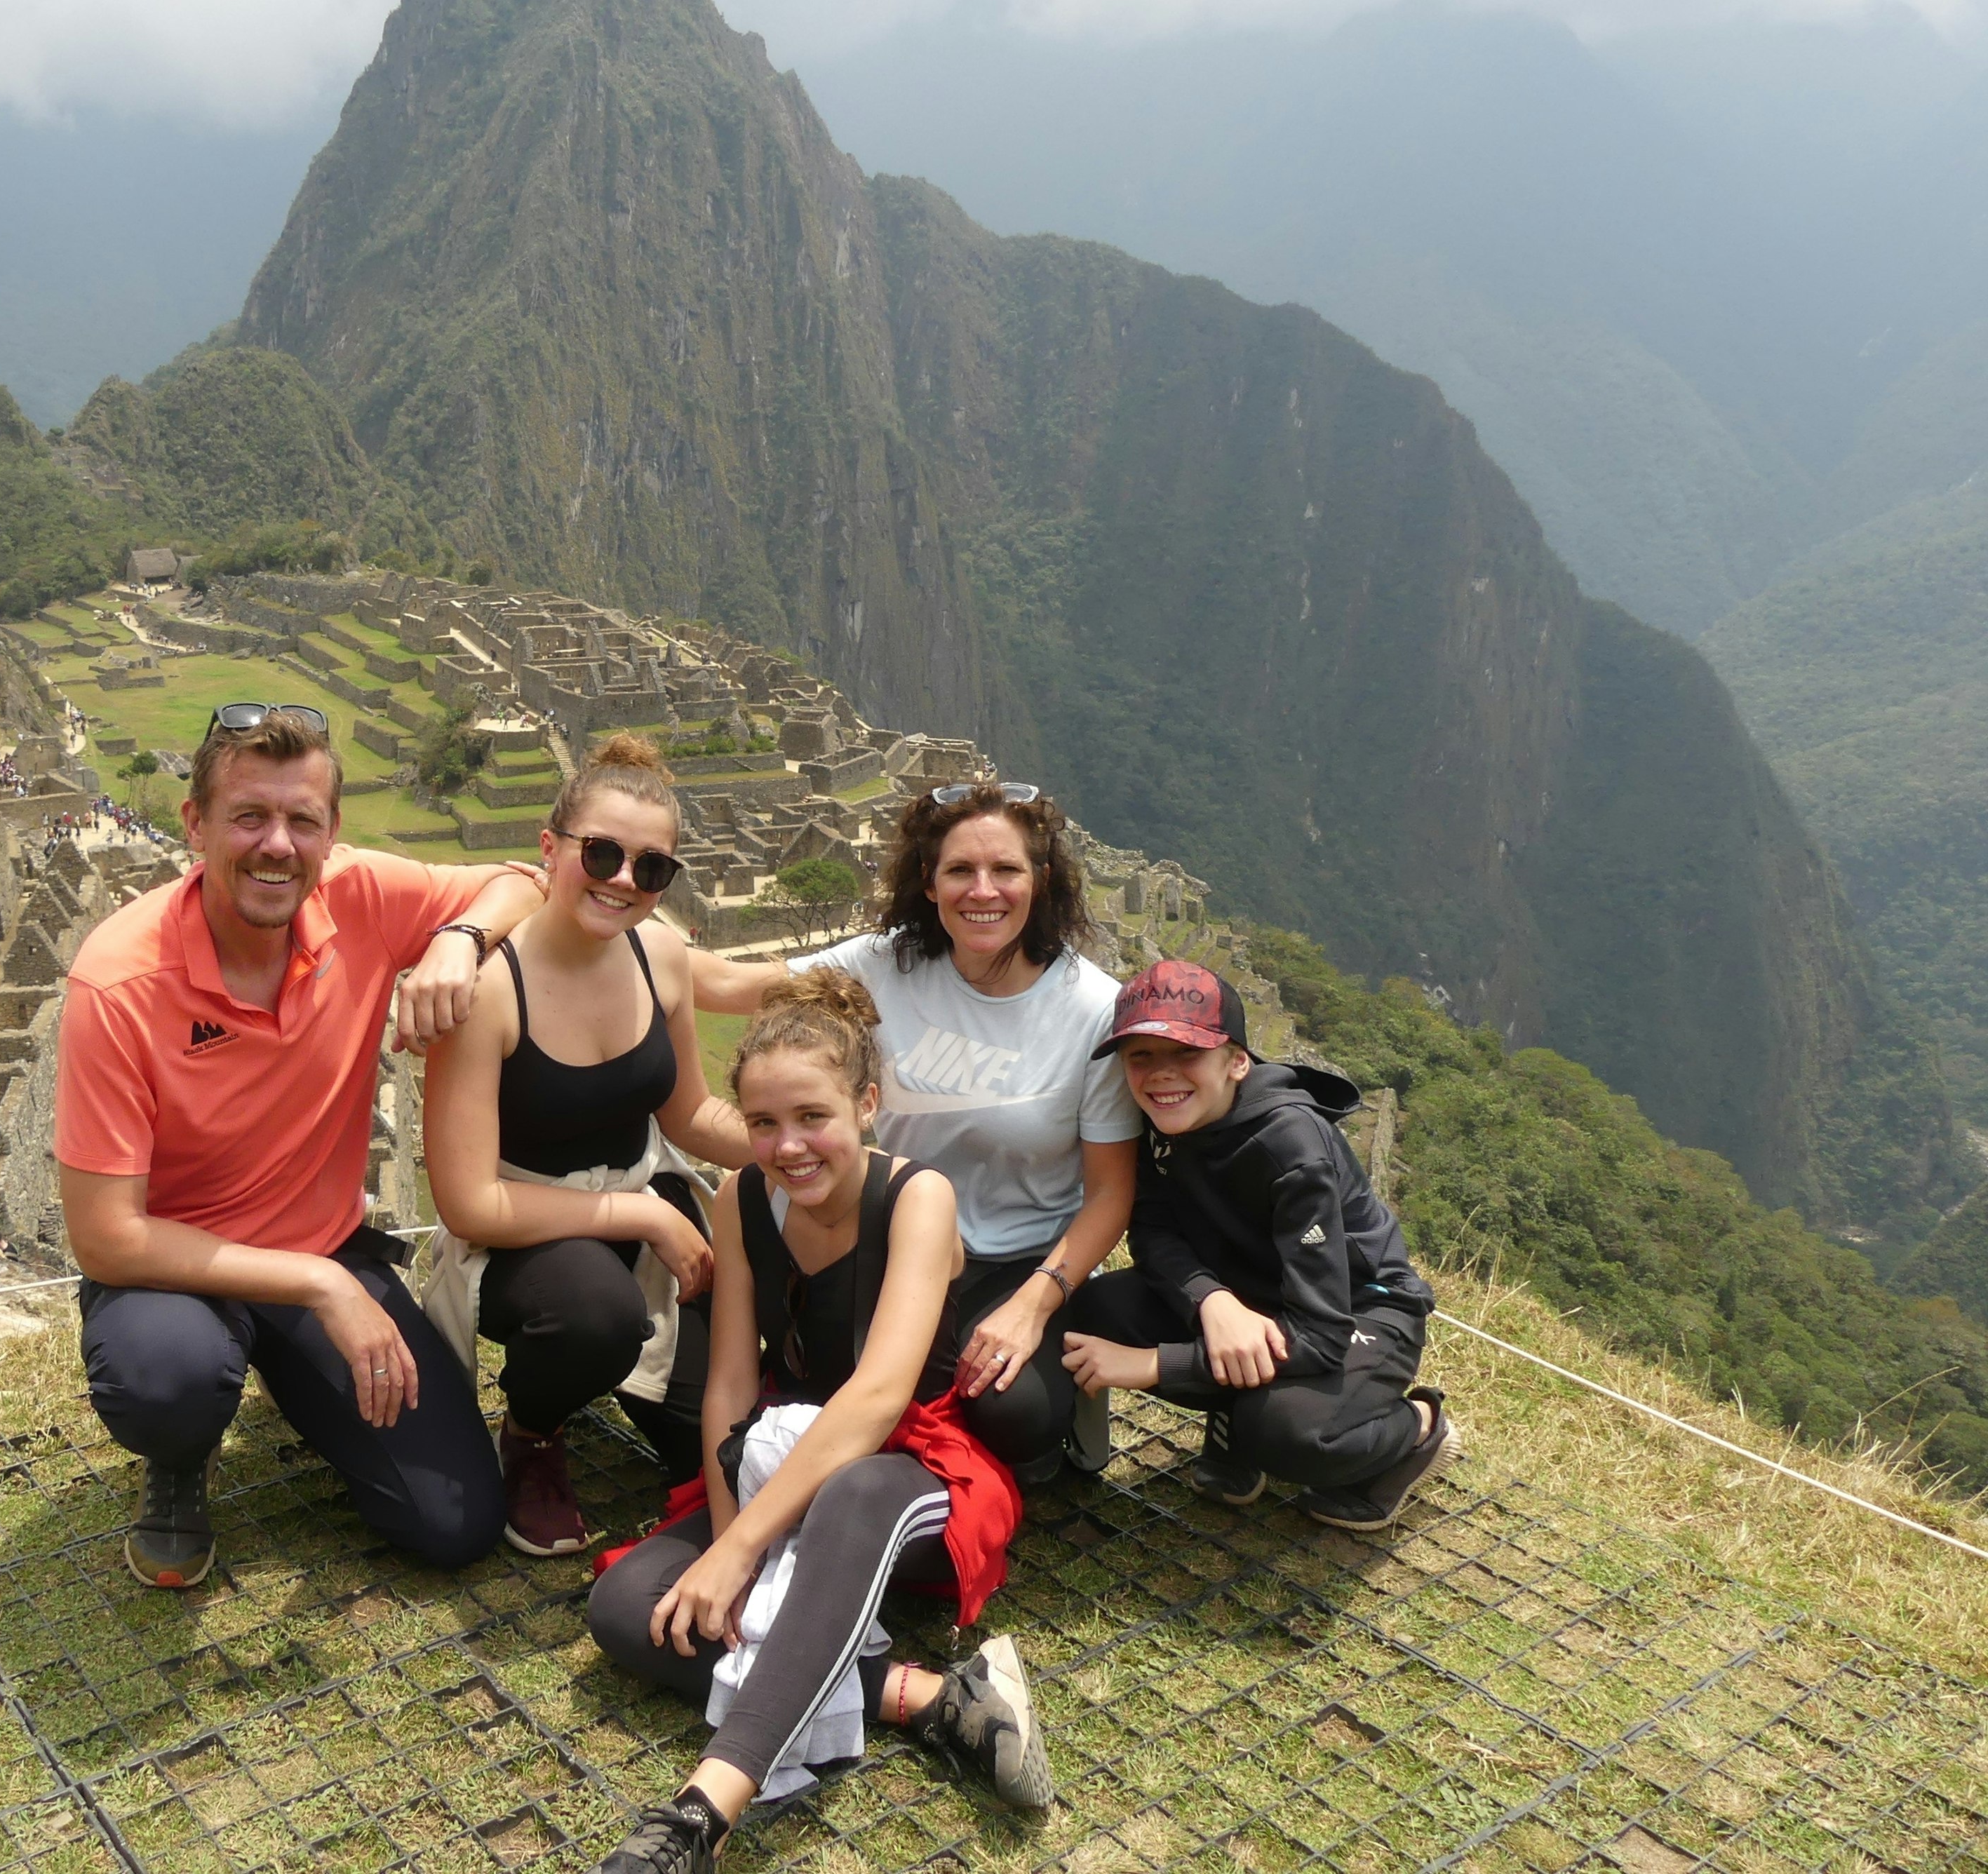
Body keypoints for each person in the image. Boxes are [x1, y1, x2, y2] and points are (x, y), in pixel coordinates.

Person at [55, 704, 547, 1589]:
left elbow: (522, 880)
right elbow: (105, 1237)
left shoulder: (359, 896)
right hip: (177, 1272)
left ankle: (293, 1376)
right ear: (196, 824)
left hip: (318, 1241)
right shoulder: (120, 980)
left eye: (301, 821)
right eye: (248, 817)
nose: (276, 845)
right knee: (169, 1381)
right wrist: (323, 1285)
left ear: (331, 835)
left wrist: (455, 939)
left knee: (456, 1523)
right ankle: (181, 1458)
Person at [586, 973, 1045, 1873]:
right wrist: (732, 1547)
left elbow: (878, 1398)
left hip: (911, 1466)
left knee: (855, 1494)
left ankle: (698, 1817)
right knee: (626, 1606)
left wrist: (737, 1555)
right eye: (763, 1124)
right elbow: (727, 1390)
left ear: (867, 1105)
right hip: (782, 1459)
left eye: (812, 1117)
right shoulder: (741, 1199)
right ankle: (928, 1698)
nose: (787, 1146)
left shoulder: (917, 1198)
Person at [694, 782, 1141, 1483]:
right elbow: (720, 985)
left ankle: (1045, 1411)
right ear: (928, 882)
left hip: (1012, 1261)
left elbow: (1110, 1194)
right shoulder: (884, 966)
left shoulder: (1092, 1010)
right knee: (817, 1369)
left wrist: (1032, 1306)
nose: (983, 891)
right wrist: (557, 905)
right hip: (884, 1237)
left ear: (1041, 879)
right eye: (960, 870)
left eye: (1007, 871)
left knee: (1015, 1411)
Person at [420, 735, 748, 1555]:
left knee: (708, 1445)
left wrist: (803, 1149)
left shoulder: (661, 956)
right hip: (520, 1231)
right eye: (600, 853)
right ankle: (533, 1432)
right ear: (550, 848)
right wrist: (642, 1218)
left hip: (638, 1200)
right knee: (595, 1319)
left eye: (651, 868)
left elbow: (690, 1120)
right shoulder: (489, 991)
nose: (623, 881)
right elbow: (470, 1203)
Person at [1058, 961, 1460, 1530]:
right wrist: (1211, 1301)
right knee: (1101, 1309)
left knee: (1289, 1432)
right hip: (1248, 1289)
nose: (1160, 1075)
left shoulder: (1290, 1146)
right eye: (1141, 1056)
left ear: (1237, 1062)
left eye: (1187, 1054)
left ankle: (1418, 1428)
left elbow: (1320, 1336)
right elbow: (1151, 1230)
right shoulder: (1158, 1118)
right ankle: (1234, 1415)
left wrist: (1155, 1364)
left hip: (1356, 1308)